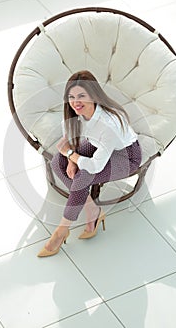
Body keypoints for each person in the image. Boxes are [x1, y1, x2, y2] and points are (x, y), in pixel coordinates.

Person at [37, 70, 142, 257]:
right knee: (56, 162)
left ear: (93, 95)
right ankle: (92, 209)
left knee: (83, 176)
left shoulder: (108, 123)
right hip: (98, 146)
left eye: (81, 96)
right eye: (71, 96)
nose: (75, 102)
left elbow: (95, 167)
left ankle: (61, 231)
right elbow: (69, 137)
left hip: (125, 156)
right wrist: (70, 158)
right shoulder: (75, 113)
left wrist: (71, 154)